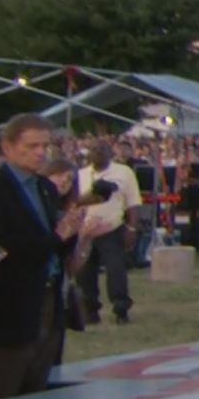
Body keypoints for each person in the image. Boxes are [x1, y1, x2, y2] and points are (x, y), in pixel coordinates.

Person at [0, 116, 114, 399]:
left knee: (35, 394)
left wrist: (71, 233)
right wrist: (56, 236)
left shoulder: (45, 187)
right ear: (7, 146)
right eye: (31, 146)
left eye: (45, 145)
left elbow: (52, 239)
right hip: (5, 310)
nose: (40, 152)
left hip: (46, 299)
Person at [75, 139, 142, 326]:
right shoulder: (80, 175)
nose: (97, 153)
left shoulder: (123, 172)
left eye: (102, 150)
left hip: (111, 228)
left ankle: (121, 309)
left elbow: (133, 202)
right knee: (85, 272)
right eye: (94, 150)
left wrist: (131, 227)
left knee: (116, 270)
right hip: (86, 230)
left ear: (109, 152)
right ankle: (90, 310)